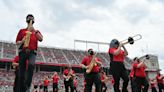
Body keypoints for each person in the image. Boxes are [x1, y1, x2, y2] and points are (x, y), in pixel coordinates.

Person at [16, 14, 43, 92]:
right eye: (29, 18)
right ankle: (22, 89)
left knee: (31, 65)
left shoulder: (36, 31)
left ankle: (27, 86)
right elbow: (17, 42)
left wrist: (34, 31)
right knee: (21, 71)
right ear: (26, 20)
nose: (30, 19)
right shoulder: (22, 31)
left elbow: (41, 39)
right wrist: (22, 41)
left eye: (32, 18)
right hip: (23, 52)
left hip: (32, 52)